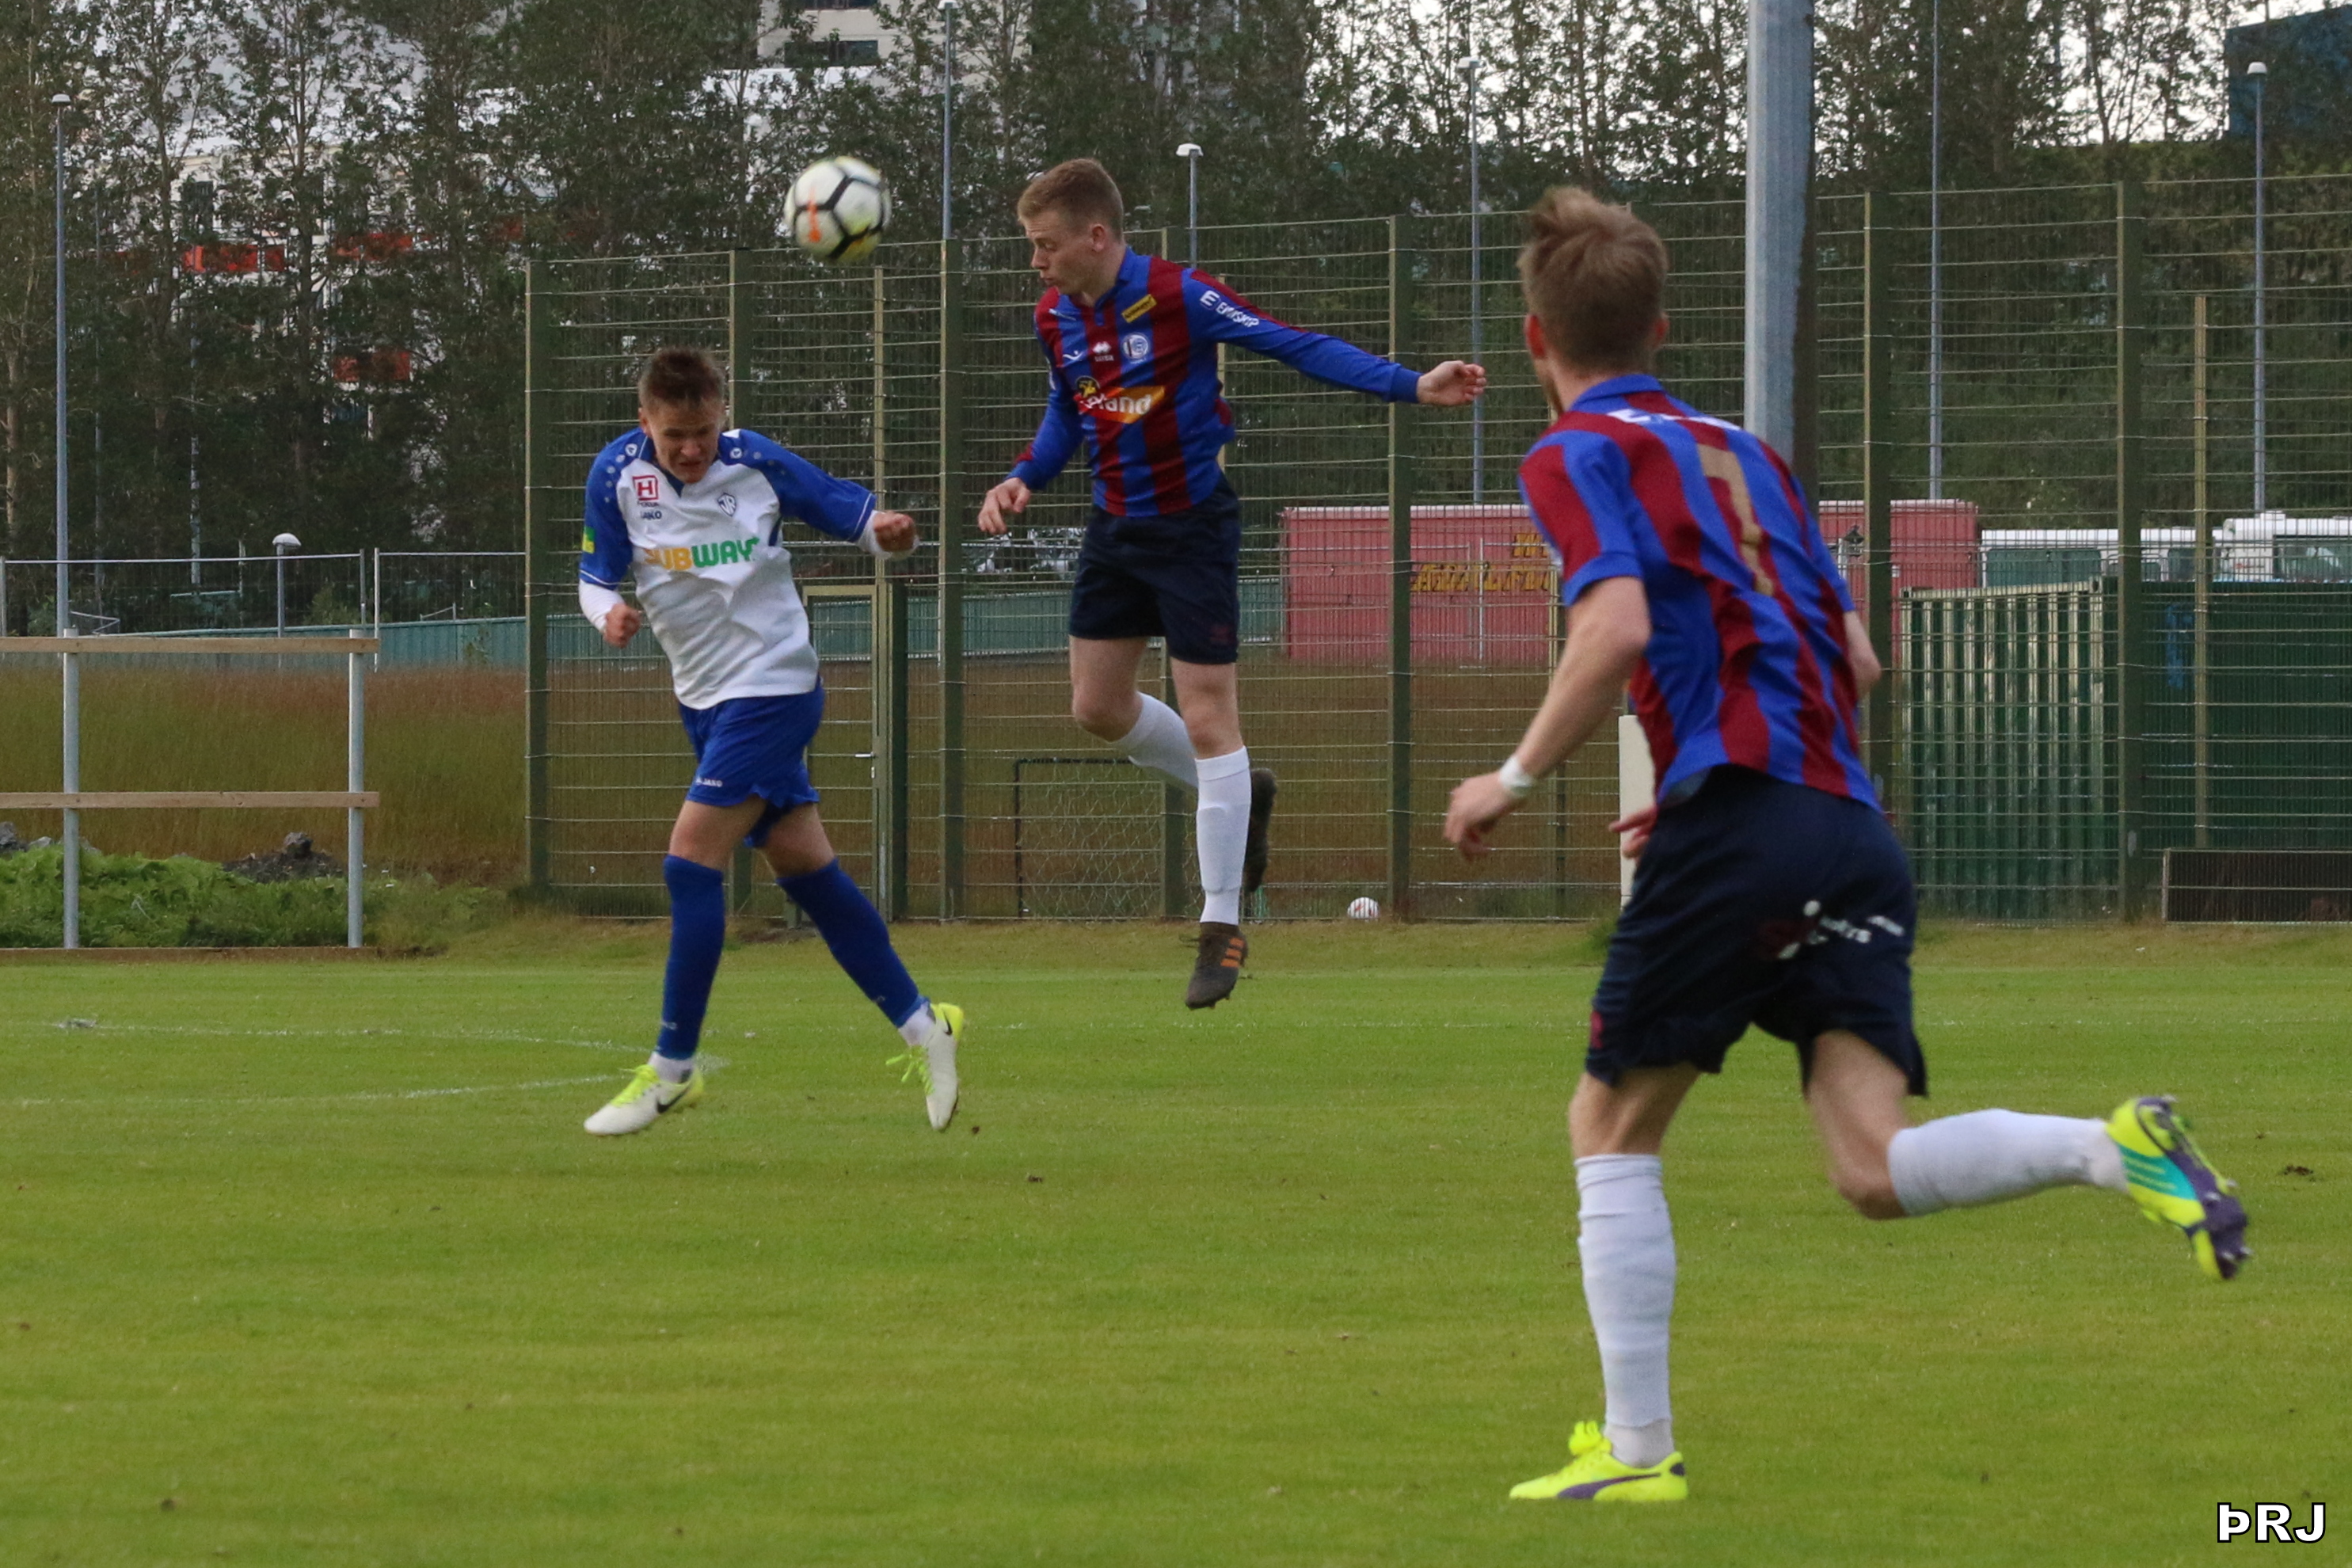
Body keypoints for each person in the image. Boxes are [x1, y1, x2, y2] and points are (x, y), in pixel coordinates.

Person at [1442, 188, 2250, 1505]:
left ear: (1537, 339)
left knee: (1610, 1121)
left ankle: (1637, 1454)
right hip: (1847, 824)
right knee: (1871, 1169)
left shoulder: (1571, 453)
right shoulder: (1749, 457)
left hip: (1749, 820)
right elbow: (1859, 662)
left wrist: (1513, 776)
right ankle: (2114, 1150)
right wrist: (1734, 794)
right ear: (1660, 328)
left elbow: (1617, 628)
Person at [978, 158, 1486, 1007]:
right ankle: (1244, 792)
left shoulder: (1180, 295)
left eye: (1045, 245)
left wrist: (1411, 385)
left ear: (1096, 236)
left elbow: (1296, 344)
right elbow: (1070, 407)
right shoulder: (1053, 315)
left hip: (1193, 530)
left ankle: (1222, 927)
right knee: (1096, 708)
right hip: (1115, 530)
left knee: (1211, 717)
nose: (1037, 262)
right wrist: (1025, 474)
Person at [577, 346, 964, 1136]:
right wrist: (605, 613)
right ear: (645, 421)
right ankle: (926, 1026)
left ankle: (672, 1072)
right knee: (806, 872)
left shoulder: (756, 463)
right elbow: (593, 577)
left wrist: (889, 533)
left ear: (723, 413)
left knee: (690, 862)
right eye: (675, 435)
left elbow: (853, 515)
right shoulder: (616, 476)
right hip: (703, 701)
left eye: (703, 432)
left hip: (775, 685)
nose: (692, 449)